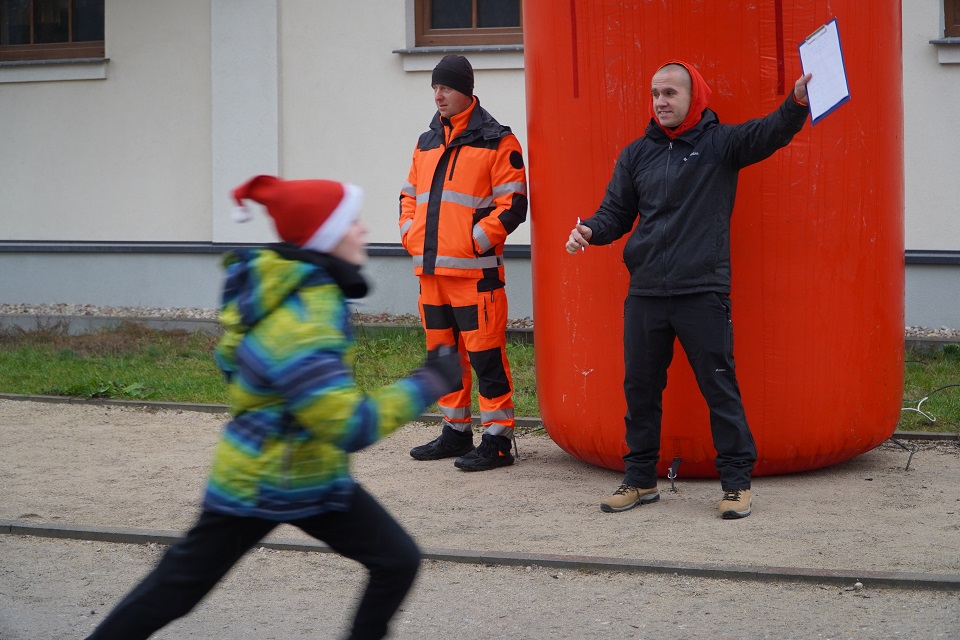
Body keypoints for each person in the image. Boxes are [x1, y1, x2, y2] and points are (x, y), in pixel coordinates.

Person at [86, 175, 462, 640]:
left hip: (311, 475)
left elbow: (239, 364)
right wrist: (430, 381)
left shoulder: (302, 296)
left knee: (397, 560)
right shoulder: (300, 319)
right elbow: (349, 426)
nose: (363, 230)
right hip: (258, 482)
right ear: (325, 236)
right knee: (176, 589)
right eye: (352, 222)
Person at [565, 60, 813, 519]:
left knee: (719, 386)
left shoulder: (720, 144)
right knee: (640, 390)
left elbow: (770, 133)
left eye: (670, 93)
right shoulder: (637, 154)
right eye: (655, 94)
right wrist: (591, 231)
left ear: (693, 96)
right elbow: (615, 213)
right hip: (646, 292)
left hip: (701, 290)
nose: (660, 102)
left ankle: (736, 484)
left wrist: (796, 102)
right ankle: (640, 479)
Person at [399, 54, 528, 472]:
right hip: (431, 273)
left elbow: (514, 205)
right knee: (443, 358)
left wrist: (475, 241)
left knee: (486, 358)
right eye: (435, 88)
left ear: (466, 91)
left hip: (475, 276)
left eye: (446, 88)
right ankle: (455, 432)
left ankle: (498, 441)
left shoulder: (498, 141)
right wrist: (409, 234)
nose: (438, 95)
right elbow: (408, 196)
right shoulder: (426, 141)